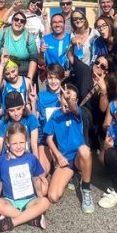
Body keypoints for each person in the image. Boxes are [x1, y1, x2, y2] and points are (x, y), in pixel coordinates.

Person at [0, 122, 50, 233]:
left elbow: (36, 179)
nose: (18, 146)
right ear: (8, 143)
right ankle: (32, 218)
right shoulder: (2, 160)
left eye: (22, 142)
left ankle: (11, 222)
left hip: (29, 199)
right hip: (10, 201)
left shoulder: (31, 158)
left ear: (26, 141)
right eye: (14, 143)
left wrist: (40, 196)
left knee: (45, 202)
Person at [44, 84, 95, 214]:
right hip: (65, 160)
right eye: (65, 97)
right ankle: (74, 175)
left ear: (76, 102)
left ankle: (86, 189)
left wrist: (69, 101)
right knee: (53, 196)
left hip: (79, 157)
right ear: (60, 98)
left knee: (84, 150)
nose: (68, 101)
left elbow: (73, 108)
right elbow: (49, 139)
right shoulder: (55, 116)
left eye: (72, 99)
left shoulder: (78, 113)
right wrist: (58, 156)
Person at [0, 91, 40, 159]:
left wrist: (36, 164)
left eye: (18, 109)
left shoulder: (31, 119)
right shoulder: (3, 123)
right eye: (12, 110)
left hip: (27, 158)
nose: (16, 113)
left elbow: (34, 146)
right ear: (7, 111)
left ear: (23, 107)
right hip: (9, 159)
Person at [0, 11, 38, 79]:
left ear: (24, 24)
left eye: (22, 21)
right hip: (4, 73)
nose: (19, 22)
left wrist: (29, 79)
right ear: (12, 21)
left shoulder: (29, 37)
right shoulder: (2, 33)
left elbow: (34, 58)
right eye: (16, 19)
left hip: (23, 74)